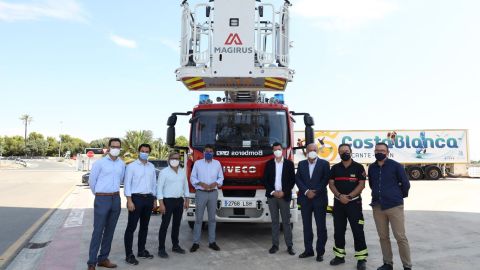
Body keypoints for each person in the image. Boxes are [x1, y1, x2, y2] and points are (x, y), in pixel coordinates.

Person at [368, 143, 412, 270]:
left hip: (394, 206)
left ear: (387, 152)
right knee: (383, 237)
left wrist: (397, 196)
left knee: (400, 237)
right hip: (377, 206)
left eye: (382, 150)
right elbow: (372, 184)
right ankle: (388, 263)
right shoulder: (372, 167)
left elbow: (405, 184)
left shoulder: (396, 166)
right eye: (377, 150)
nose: (379, 152)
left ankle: (407, 266)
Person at [87, 138, 125, 270]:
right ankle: (91, 262)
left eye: (118, 147)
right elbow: (92, 182)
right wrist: (99, 195)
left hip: (116, 198)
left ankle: (103, 258)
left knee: (110, 231)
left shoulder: (121, 164)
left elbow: (121, 179)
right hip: (102, 198)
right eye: (113, 146)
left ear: (120, 148)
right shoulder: (100, 163)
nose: (115, 149)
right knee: (98, 231)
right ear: (108, 147)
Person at [328, 144, 368, 270]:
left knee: (358, 231)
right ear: (339, 154)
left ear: (351, 152)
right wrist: (340, 196)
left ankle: (361, 259)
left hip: (354, 204)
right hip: (339, 204)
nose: (344, 153)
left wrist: (349, 197)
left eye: (346, 151)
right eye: (341, 152)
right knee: (339, 231)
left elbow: (361, 184)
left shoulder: (358, 167)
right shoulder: (335, 168)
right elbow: (331, 184)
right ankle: (339, 256)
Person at [123, 144, 157, 265]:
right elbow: (127, 184)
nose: (144, 153)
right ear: (138, 152)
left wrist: (154, 199)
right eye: (142, 151)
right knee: (131, 227)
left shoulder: (151, 167)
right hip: (136, 199)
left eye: (147, 151)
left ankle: (141, 251)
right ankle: (129, 255)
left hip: (148, 199)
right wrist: (129, 200)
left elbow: (154, 184)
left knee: (144, 227)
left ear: (149, 153)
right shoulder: (131, 167)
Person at [295, 143, 330, 262]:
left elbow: (325, 179)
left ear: (318, 151)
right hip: (305, 200)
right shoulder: (301, 164)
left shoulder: (324, 164)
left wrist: (315, 192)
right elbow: (298, 179)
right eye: (310, 150)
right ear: (306, 151)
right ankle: (308, 250)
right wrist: (306, 191)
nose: (312, 151)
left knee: (321, 227)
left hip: (319, 199)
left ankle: (320, 252)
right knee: (307, 226)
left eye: (314, 150)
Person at [262, 142, 296, 255]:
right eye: (275, 149)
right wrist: (272, 192)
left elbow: (292, 181)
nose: (277, 151)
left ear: (282, 150)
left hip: (284, 196)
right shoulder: (268, 164)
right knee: (274, 222)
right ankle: (275, 245)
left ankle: (289, 246)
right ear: (273, 151)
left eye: (279, 149)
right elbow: (265, 180)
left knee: (286, 222)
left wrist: (284, 192)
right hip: (272, 197)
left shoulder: (289, 164)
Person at [189, 144, 224, 252]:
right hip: (201, 193)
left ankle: (212, 242)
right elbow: (192, 177)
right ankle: (196, 243)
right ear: (203, 152)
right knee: (198, 219)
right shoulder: (198, 164)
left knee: (212, 219)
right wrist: (200, 183)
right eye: (206, 151)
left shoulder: (217, 163)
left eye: (210, 151)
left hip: (213, 193)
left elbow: (221, 177)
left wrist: (216, 183)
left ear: (213, 153)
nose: (208, 153)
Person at [157, 151, 190, 258]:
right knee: (165, 225)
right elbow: (159, 189)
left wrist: (187, 199)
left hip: (179, 201)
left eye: (177, 158)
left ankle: (175, 246)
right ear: (169, 159)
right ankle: (161, 249)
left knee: (176, 225)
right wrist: (161, 204)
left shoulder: (182, 171)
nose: (175, 160)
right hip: (167, 202)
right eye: (173, 158)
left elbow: (186, 186)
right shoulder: (164, 172)